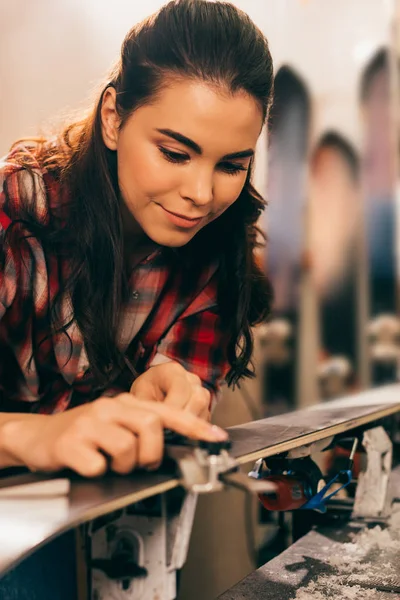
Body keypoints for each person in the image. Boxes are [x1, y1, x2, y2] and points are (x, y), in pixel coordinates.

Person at [0, 1, 274, 595]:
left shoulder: (216, 248)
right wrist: (30, 435)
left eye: (231, 164)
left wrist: (177, 382)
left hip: (85, 499)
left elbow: (189, 365)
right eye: (175, 153)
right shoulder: (14, 221)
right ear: (113, 118)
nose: (200, 194)